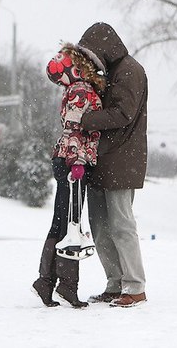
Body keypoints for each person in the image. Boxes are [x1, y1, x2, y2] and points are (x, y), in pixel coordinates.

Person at [76, 22, 148, 308]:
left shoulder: (130, 71)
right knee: (100, 225)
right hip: (104, 158)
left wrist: (86, 119)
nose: (92, 61)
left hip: (122, 159)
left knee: (121, 224)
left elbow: (122, 113)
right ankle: (115, 282)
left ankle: (135, 286)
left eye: (93, 54)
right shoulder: (113, 71)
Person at [32, 43, 105, 308]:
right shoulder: (82, 91)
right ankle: (65, 286)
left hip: (68, 160)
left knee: (62, 221)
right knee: (71, 224)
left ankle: (47, 281)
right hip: (75, 163)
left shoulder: (73, 89)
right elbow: (76, 130)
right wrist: (79, 163)